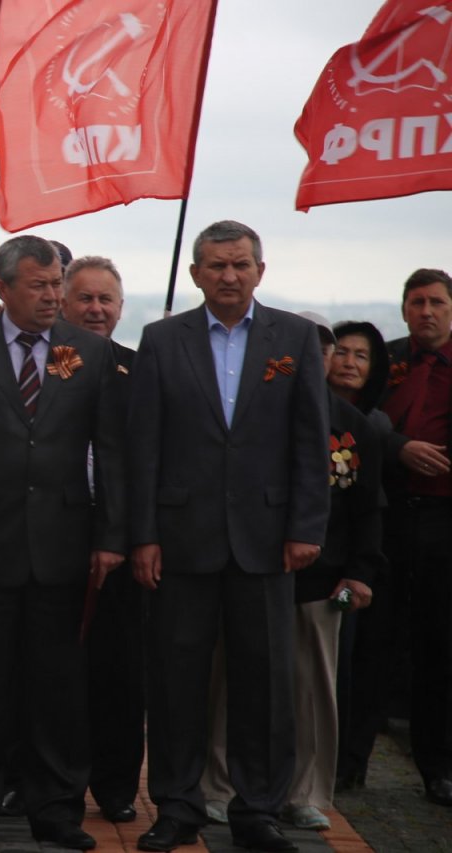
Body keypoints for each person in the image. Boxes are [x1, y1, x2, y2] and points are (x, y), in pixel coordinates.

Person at [127, 220, 329, 853]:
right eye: (216, 266)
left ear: (260, 271)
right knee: (175, 679)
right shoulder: (162, 339)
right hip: (180, 539)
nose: (229, 276)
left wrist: (304, 526)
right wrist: (144, 535)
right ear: (195, 274)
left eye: (240, 265)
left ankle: (258, 810)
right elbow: (144, 446)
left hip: (267, 541)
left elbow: (309, 440)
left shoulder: (292, 337)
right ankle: (177, 806)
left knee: (264, 682)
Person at [0, 235, 125, 851]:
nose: (52, 295)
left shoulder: (87, 352)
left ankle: (56, 810)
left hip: (63, 548)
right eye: (39, 285)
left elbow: (109, 452)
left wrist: (111, 536)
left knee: (57, 689)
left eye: (55, 283)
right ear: (4, 287)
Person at [201, 313, 382, 833]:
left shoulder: (352, 425)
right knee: (228, 685)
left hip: (318, 581)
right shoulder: (249, 415)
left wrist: (361, 572)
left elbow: (369, 510)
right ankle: (219, 785)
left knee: (309, 690)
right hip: (245, 569)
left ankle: (304, 792)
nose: (318, 356)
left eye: (324, 349)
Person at [59, 255, 143, 825]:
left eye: (105, 299)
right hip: (47, 540)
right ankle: (43, 781)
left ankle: (115, 786)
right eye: (84, 298)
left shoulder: (141, 371)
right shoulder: (39, 367)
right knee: (47, 671)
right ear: (62, 304)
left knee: (120, 672)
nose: (95, 309)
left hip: (124, 545)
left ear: (120, 308)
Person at [376, 268, 452, 807]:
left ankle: (437, 766)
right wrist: (398, 445)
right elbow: (356, 414)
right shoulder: (388, 360)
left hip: (444, 519)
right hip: (387, 515)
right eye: (416, 302)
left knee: (438, 647)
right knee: (374, 635)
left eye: (437, 303)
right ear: (403, 309)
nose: (426, 312)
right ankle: (350, 759)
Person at [327, 320, 396, 792]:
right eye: (342, 352)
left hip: (357, 559)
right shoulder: (300, 410)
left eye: (362, 356)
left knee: (348, 661)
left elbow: (368, 502)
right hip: (313, 563)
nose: (349, 363)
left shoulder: (375, 424)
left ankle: (343, 762)